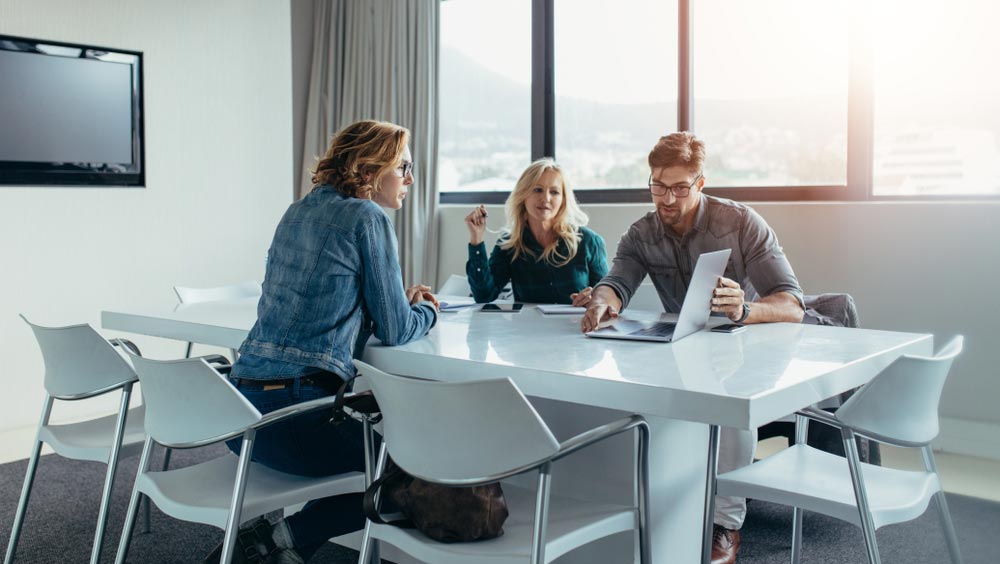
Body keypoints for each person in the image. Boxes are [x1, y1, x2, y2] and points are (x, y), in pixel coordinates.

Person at [212, 120, 438, 564]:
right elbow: (395, 329)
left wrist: (395, 301)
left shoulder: (296, 211)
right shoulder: (367, 217)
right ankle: (284, 536)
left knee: (378, 459)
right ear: (372, 168)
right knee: (412, 475)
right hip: (295, 415)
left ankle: (275, 545)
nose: (411, 179)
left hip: (240, 415)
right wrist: (427, 309)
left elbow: (326, 299)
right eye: (405, 167)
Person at [581, 132, 804, 564]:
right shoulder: (642, 232)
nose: (668, 198)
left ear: (700, 183)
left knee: (729, 394)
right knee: (631, 380)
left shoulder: (740, 222)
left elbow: (792, 303)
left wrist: (744, 309)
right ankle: (659, 501)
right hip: (688, 348)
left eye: (680, 187)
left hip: (749, 344)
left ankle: (726, 525)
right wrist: (601, 302)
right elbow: (617, 281)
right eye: (658, 186)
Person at [464, 158, 608, 305]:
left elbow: (607, 298)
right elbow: (484, 296)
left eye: (554, 192)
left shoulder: (590, 242)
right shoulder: (509, 245)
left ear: (563, 199)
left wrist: (595, 298)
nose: (546, 198)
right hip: (528, 327)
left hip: (576, 326)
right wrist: (476, 239)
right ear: (523, 195)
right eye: (537, 190)